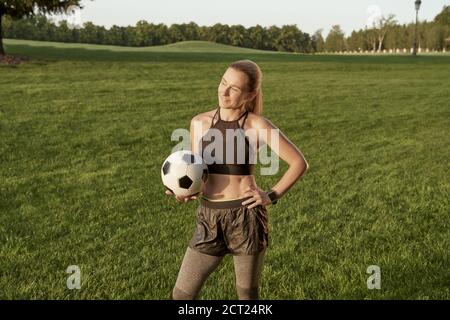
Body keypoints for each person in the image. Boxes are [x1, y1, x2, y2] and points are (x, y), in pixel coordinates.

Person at [166, 59, 309, 300]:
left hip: (245, 217)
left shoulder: (257, 126)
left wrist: (270, 195)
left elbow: (299, 163)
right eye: (223, 82)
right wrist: (186, 192)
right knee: (181, 295)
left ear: (250, 94)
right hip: (209, 218)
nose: (224, 91)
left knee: (247, 297)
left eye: (234, 88)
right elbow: (198, 171)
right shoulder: (198, 123)